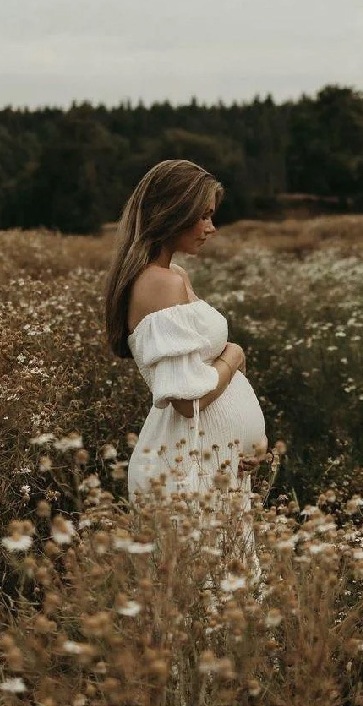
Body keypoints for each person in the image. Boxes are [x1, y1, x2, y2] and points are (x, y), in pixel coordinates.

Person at [104, 159, 268, 565]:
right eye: (205, 216)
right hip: (186, 472)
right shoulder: (161, 282)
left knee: (222, 607)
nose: (212, 228)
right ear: (173, 212)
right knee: (209, 608)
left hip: (207, 468)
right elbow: (186, 401)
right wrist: (235, 354)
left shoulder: (171, 273)